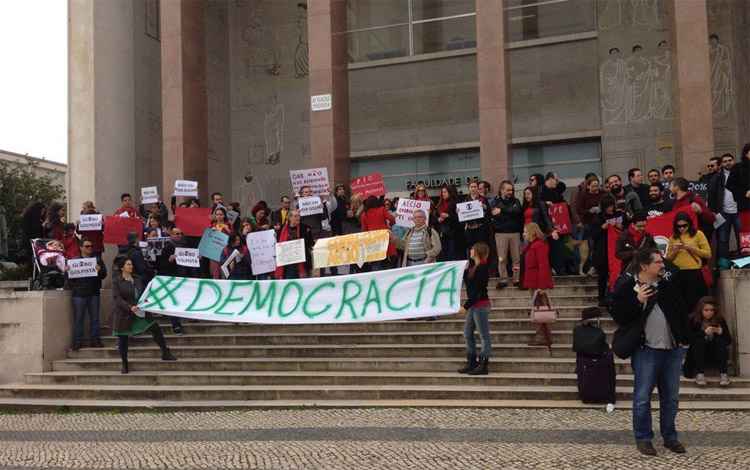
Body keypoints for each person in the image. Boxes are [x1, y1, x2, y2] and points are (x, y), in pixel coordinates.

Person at [611, 248, 689, 457]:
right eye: (658, 262)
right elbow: (619, 316)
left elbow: (681, 312)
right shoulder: (627, 287)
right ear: (644, 266)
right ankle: (644, 438)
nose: (662, 265)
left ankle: (670, 437)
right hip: (646, 350)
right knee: (643, 397)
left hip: (672, 350)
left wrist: (684, 340)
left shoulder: (667, 286)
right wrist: (637, 301)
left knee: (671, 398)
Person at [112, 257, 176, 374]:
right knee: (123, 338)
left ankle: (165, 352)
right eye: (128, 264)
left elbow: (144, 293)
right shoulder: (117, 281)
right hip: (125, 313)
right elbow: (117, 298)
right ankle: (124, 364)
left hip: (140, 311)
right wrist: (129, 307)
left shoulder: (137, 279)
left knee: (155, 328)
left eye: (131, 264)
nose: (131, 266)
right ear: (122, 267)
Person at [67, 238, 107, 350]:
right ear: (81, 248)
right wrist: (67, 271)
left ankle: (95, 340)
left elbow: (104, 275)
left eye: (91, 246)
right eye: (87, 246)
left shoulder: (97, 260)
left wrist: (100, 271)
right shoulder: (74, 261)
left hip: (94, 293)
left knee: (95, 318)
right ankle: (77, 342)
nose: (90, 248)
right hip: (79, 294)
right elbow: (69, 279)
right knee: (78, 319)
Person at [458, 242, 492, 375]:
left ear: (477, 251)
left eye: (472, 249)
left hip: (480, 305)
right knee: (467, 333)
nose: (470, 251)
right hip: (473, 305)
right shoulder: (473, 267)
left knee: (484, 335)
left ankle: (484, 363)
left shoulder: (483, 268)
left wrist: (465, 306)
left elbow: (477, 291)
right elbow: (468, 283)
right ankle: (472, 361)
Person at [666, 212, 711, 313]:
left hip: (694, 273)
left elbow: (708, 254)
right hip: (678, 274)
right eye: (679, 226)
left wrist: (691, 248)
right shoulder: (673, 238)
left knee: (696, 303)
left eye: (684, 225)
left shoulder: (698, 234)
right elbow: (668, 259)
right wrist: (675, 251)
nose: (681, 228)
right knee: (681, 305)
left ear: (689, 224)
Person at [686, 297, 732, 387]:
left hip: (714, 353)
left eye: (711, 310)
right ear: (700, 310)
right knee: (699, 341)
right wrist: (704, 333)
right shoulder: (693, 319)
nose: (709, 312)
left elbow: (728, 341)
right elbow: (688, 339)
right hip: (697, 353)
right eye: (706, 310)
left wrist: (721, 332)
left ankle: (724, 374)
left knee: (720, 340)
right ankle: (700, 374)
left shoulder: (719, 320)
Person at [522, 223, 554, 347]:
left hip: (537, 283)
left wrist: (542, 286)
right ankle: (543, 335)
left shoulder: (539, 245)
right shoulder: (532, 246)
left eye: (525, 231)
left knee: (540, 309)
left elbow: (543, 265)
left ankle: (544, 336)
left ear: (532, 232)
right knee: (538, 309)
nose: (523, 233)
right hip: (533, 281)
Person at [591, 196, 624, 306]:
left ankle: (617, 295)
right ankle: (601, 297)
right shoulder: (598, 218)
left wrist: (619, 226)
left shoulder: (618, 215)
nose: (610, 208)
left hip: (616, 249)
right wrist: (602, 228)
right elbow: (593, 235)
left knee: (618, 273)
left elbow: (624, 229)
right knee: (603, 276)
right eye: (608, 206)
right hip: (602, 251)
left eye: (612, 206)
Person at [491, 180, 523, 288]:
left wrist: (503, 211)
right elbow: (495, 215)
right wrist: (508, 212)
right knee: (502, 258)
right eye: (508, 190)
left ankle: (516, 279)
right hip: (500, 234)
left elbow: (517, 211)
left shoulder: (516, 201)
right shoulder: (495, 202)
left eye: (511, 190)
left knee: (516, 258)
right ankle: (503, 279)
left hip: (515, 233)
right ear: (502, 190)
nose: (510, 192)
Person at [716, 153, 743, 259]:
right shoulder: (718, 177)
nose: (728, 163)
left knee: (742, 237)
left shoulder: (742, 173)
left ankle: (744, 261)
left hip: (739, 211)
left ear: (734, 161)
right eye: (725, 161)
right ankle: (724, 264)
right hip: (724, 212)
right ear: (722, 164)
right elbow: (713, 195)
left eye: (730, 160)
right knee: (723, 239)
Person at [360, 195, 396, 271]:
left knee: (376, 264)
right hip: (385, 239)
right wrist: (390, 225)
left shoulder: (364, 214)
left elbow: (364, 230)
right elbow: (392, 219)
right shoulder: (382, 209)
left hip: (373, 242)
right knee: (389, 263)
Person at [274, 209, 313, 279]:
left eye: (298, 216)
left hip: (302, 262)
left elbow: (310, 243)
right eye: (295, 216)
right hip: (288, 264)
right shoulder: (282, 229)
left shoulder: (305, 228)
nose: (298, 218)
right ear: (290, 218)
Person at [463, 180, 491, 259]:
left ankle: (482, 267)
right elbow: (462, 215)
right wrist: (459, 211)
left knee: (481, 249)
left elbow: (489, 212)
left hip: (480, 228)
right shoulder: (465, 200)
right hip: (470, 229)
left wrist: (484, 207)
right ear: (469, 188)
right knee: (471, 250)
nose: (473, 188)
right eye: (471, 187)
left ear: (477, 188)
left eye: (475, 187)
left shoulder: (483, 199)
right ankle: (472, 267)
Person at [435, 184, 461, 261]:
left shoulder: (457, 202)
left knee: (452, 255)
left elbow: (460, 219)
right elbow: (435, 218)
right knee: (444, 255)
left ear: (450, 192)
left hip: (454, 234)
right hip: (443, 234)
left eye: (445, 192)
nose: (443, 194)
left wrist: (448, 216)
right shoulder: (439, 204)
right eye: (442, 192)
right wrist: (438, 219)